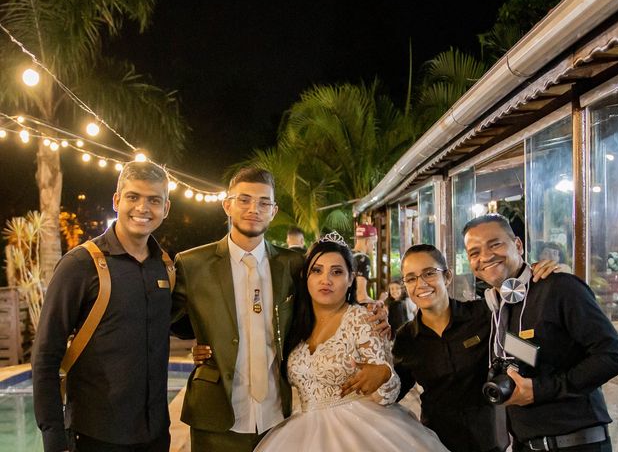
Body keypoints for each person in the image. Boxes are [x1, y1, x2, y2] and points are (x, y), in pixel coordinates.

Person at [171, 167, 389, 452]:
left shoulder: (293, 264)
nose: (254, 209)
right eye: (244, 200)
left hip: (278, 415)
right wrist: (203, 342)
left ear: (273, 211)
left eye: (264, 202)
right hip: (215, 413)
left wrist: (373, 318)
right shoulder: (192, 263)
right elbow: (171, 320)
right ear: (227, 205)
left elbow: (323, 306)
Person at [252, 234, 450, 452]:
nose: (325, 279)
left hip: (361, 430)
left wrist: (383, 372)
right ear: (305, 277)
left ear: (350, 279)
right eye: (317, 270)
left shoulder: (363, 319)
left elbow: (388, 395)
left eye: (336, 272)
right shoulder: (295, 324)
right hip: (302, 432)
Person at [32, 161, 173, 452]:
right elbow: (46, 357)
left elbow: (182, 323)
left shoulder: (166, 267)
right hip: (96, 436)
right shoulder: (80, 265)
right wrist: (53, 438)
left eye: (154, 200)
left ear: (166, 208)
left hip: (156, 434)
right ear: (117, 200)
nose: (142, 208)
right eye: (133, 197)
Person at [463, 214, 618, 452]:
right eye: (474, 252)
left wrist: (540, 391)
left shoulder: (560, 288)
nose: (485, 257)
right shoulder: (496, 309)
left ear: (518, 245)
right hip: (526, 444)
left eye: (495, 244)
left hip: (577, 444)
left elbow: (614, 357)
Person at [393, 244, 560, 452]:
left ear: (447, 277)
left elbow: (528, 353)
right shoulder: (406, 338)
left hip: (490, 441)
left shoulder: (484, 316)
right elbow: (394, 390)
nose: (421, 284)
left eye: (429, 273)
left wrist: (549, 281)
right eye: (411, 278)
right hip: (437, 443)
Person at [353, 223, 377, 303]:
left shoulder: (348, 254)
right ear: (368, 241)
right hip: (350, 309)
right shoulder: (364, 259)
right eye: (373, 243)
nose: (373, 247)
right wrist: (376, 302)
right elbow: (361, 297)